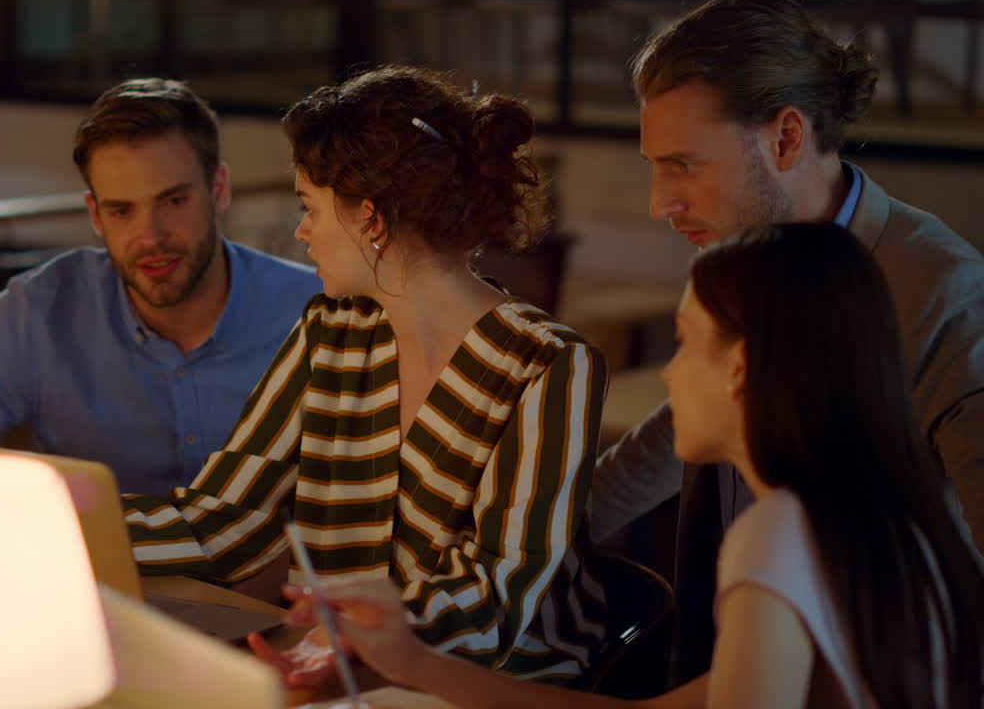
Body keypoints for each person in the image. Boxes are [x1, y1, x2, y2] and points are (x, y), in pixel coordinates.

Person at [293, 223, 984, 709]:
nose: (670, 374)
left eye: (683, 344)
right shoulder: (884, 518)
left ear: (739, 368)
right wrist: (412, 660)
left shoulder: (779, 530)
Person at [122, 66, 608, 685]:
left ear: (371, 220)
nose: (302, 234)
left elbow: (497, 598)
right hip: (348, 667)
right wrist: (59, 523)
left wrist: (356, 636)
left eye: (310, 209)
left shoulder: (546, 363)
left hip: (498, 686)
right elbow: (228, 521)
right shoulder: (335, 331)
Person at [587, 0, 984, 684]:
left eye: (683, 164)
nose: (660, 202)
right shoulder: (745, 254)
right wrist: (523, 540)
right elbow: (673, 432)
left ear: (787, 137)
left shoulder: (942, 290)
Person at [0, 78, 319, 497]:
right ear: (95, 215)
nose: (151, 236)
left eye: (173, 201)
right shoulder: (38, 313)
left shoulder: (312, 314)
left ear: (218, 190)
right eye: (123, 211)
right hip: (96, 563)